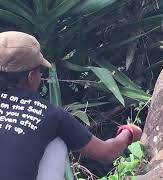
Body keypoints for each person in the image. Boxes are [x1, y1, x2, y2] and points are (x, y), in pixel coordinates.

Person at [0, 31, 142, 180]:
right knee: (57, 141)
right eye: (39, 72)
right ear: (30, 77)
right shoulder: (50, 115)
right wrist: (129, 132)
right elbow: (107, 153)